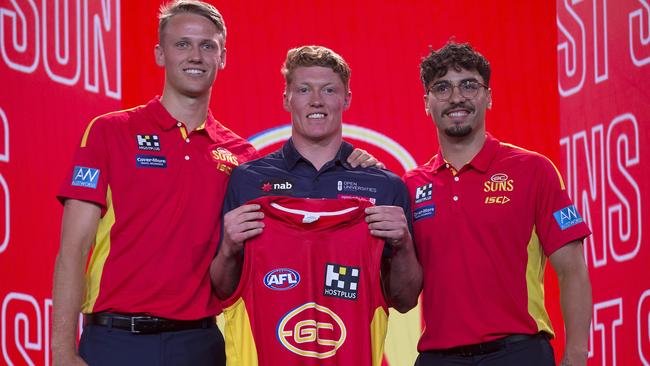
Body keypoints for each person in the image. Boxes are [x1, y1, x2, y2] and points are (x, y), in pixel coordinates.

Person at [51, 2, 377, 365]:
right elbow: (73, 249)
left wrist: (357, 168)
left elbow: (307, 212)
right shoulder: (110, 132)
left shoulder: (243, 159)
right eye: (183, 44)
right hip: (115, 340)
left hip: (199, 344)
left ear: (222, 58)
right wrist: (62, 351)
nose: (196, 56)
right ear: (160, 54)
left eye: (208, 46)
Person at [210, 45, 422, 364]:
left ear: (346, 98)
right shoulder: (247, 180)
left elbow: (404, 301)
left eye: (329, 90)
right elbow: (224, 292)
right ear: (287, 99)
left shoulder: (384, 186)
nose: (316, 100)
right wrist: (228, 247)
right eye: (304, 89)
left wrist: (403, 244)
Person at [403, 42, 592, 366]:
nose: (456, 97)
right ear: (427, 102)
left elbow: (572, 269)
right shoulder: (409, 186)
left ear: (488, 96)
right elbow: (403, 292)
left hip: (519, 352)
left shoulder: (534, 170)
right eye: (443, 87)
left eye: (469, 85)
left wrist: (576, 355)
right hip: (437, 358)